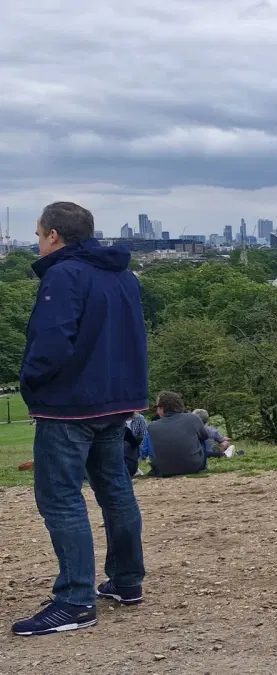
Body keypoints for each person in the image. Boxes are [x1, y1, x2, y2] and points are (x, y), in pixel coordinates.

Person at [13, 202, 148, 636]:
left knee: (60, 497)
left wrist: (32, 383)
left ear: (53, 235)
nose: (38, 242)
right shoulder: (123, 275)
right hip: (115, 399)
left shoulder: (63, 274)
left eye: (38, 234)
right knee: (115, 489)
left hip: (69, 403)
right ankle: (126, 581)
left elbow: (50, 341)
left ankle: (75, 600)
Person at [147, 392, 212, 478]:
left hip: (163, 470)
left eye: (157, 407)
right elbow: (205, 436)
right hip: (193, 467)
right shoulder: (193, 418)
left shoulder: (151, 426)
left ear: (161, 408)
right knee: (201, 439)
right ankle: (201, 464)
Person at [122, 412, 149, 478]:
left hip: (136, 448)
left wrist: (143, 454)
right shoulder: (117, 419)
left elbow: (145, 437)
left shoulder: (140, 418)